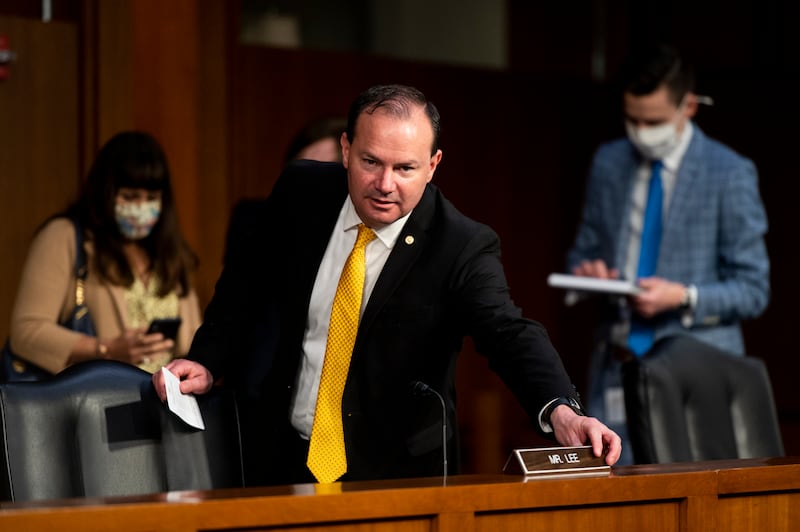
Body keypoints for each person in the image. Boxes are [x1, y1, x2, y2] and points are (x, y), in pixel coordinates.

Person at [154, 84, 621, 486]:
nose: (384, 184)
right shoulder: (301, 192)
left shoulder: (460, 244)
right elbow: (245, 285)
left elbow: (508, 332)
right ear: (344, 149)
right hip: (281, 456)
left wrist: (561, 408)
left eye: (405, 169)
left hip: (395, 474)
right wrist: (208, 360)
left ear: (434, 164)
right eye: (370, 161)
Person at [566, 44, 770, 463]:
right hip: (617, 366)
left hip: (695, 374)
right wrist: (590, 275)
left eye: (654, 121)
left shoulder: (730, 171)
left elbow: (754, 288)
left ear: (688, 106)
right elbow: (582, 250)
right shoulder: (609, 162)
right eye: (632, 120)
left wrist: (683, 296)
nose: (641, 131)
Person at [9, 131, 203, 375]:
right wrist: (106, 350)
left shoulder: (171, 252)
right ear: (106, 192)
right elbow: (26, 332)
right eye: (130, 197)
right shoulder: (66, 236)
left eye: (151, 198)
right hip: (94, 402)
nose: (141, 208)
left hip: (161, 405)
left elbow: (194, 341)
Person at [223, 117, 347, 265]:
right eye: (303, 166)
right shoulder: (254, 217)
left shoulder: (354, 231)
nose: (309, 178)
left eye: (324, 168)